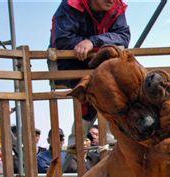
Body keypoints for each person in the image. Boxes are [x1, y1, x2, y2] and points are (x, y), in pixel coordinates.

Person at [49, 0, 130, 146]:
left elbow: (123, 37)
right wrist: (91, 44)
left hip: (99, 63)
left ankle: (105, 135)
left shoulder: (116, 7)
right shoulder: (71, 5)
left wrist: (93, 42)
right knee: (94, 88)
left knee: (120, 84)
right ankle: (82, 137)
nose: (111, 0)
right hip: (69, 63)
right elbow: (62, 40)